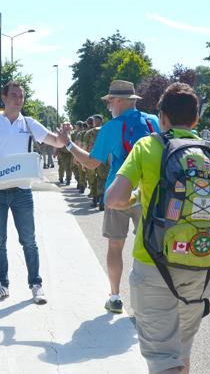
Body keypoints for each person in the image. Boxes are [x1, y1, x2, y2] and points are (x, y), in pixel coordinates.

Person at [106, 82, 210, 374]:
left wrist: (135, 197)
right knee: (180, 354)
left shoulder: (147, 146)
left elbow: (113, 198)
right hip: (203, 266)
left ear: (162, 117)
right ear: (196, 119)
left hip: (154, 264)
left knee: (162, 362)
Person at [57, 80, 160, 314]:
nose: (109, 106)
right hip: (151, 194)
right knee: (151, 247)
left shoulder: (112, 127)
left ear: (122, 101)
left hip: (119, 192)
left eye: (111, 100)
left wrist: (69, 144)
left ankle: (115, 297)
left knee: (115, 246)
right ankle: (150, 301)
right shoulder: (153, 121)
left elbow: (92, 163)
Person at [0, 81, 65, 304]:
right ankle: (2, 285)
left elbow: (56, 142)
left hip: (22, 191)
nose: (18, 99)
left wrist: (64, 135)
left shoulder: (30, 123)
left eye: (21, 96)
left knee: (29, 240)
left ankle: (36, 284)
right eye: (13, 95)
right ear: (3, 98)